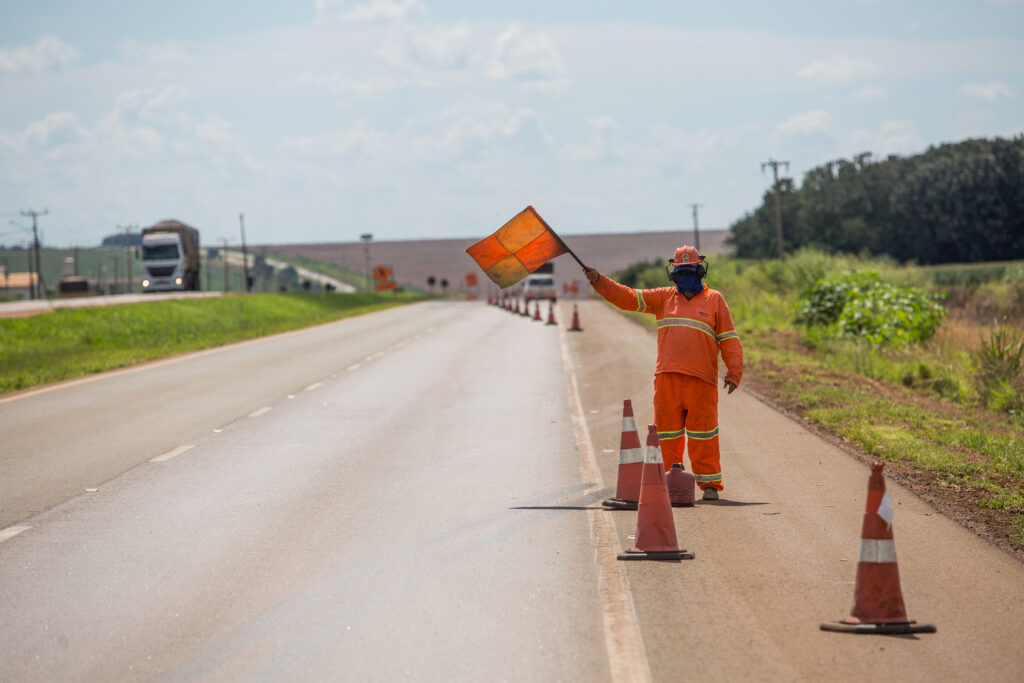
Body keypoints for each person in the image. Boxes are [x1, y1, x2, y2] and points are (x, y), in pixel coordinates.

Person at [582, 246, 743, 501]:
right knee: (666, 435)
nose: (685, 277)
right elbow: (628, 298)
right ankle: (669, 478)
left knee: (705, 435)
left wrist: (734, 372)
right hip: (667, 379)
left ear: (700, 272)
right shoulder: (663, 298)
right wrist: (600, 281)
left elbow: (729, 339)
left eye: (690, 272)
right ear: (673, 275)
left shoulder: (715, 300)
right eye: (681, 272)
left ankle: (709, 485)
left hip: (702, 382)